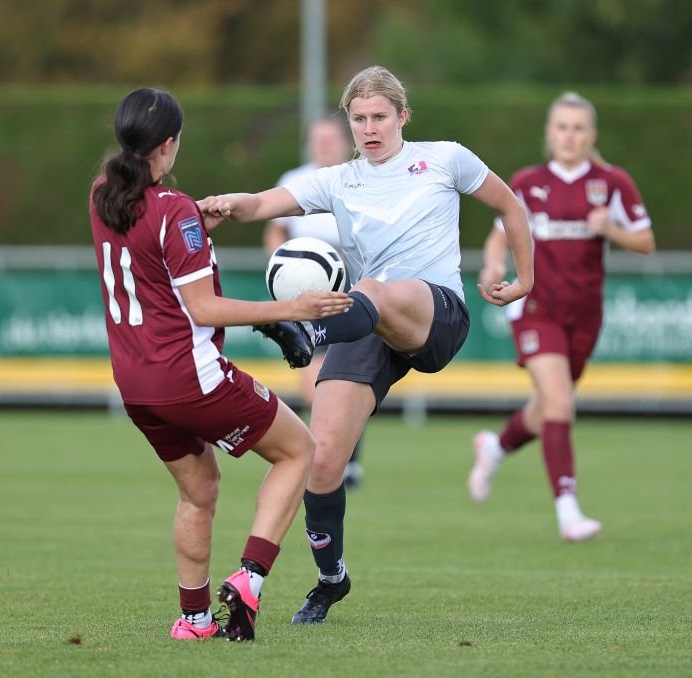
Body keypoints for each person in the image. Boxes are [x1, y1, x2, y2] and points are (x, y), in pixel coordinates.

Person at [197, 65, 534, 625]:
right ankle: (329, 579)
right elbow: (262, 203)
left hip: (434, 312)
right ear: (348, 122)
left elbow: (510, 206)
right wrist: (226, 204)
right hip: (365, 323)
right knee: (321, 458)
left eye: (380, 117)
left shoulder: (446, 158)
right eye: (359, 119)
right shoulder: (338, 180)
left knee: (369, 289)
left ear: (403, 116)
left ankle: (308, 331)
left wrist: (526, 278)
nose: (370, 128)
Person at [88, 88, 352, 642]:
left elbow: (149, 250)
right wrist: (291, 309)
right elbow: (203, 307)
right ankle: (250, 578)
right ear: (169, 143)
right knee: (299, 450)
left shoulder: (102, 194)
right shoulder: (173, 210)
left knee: (199, 490)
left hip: (135, 385)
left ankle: (195, 619)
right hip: (189, 376)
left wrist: (194, 227)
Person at [467, 91, 656, 542]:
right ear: (548, 134)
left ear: (591, 135)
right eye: (561, 127)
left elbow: (646, 241)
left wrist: (610, 229)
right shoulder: (528, 182)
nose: (570, 136)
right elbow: (500, 235)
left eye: (578, 128)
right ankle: (567, 509)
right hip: (536, 308)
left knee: (551, 407)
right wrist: (493, 264)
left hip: (585, 313)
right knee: (561, 405)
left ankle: (495, 446)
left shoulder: (611, 182)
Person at [263, 117, 365, 489]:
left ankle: (348, 460)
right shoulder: (295, 179)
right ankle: (320, 453)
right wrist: (281, 274)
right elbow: (275, 229)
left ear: (343, 142)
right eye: (317, 139)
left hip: (354, 285)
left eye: (330, 139)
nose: (323, 145)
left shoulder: (360, 176)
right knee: (317, 376)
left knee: (352, 372)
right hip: (308, 288)